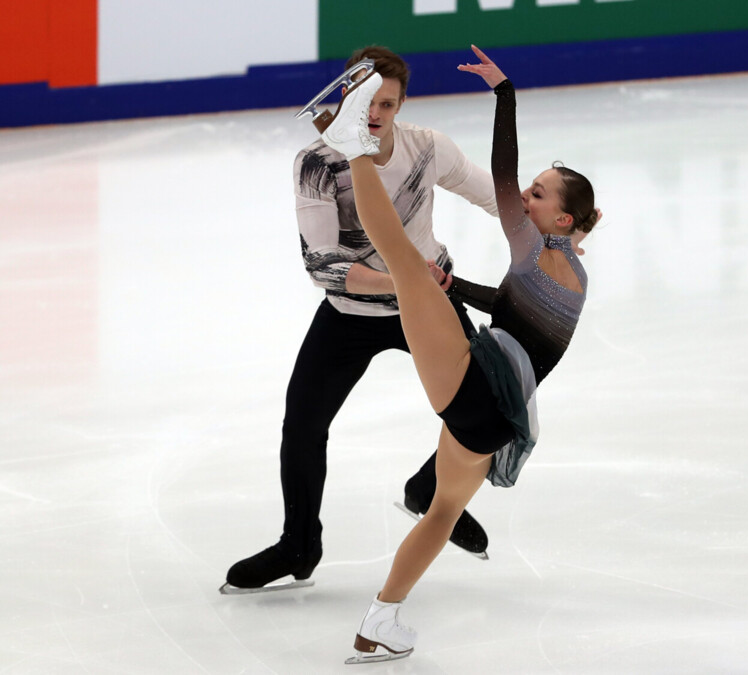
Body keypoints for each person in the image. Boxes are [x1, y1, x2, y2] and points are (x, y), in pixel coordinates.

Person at [308, 46, 600, 663]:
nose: (524, 196)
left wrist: (507, 95)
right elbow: (507, 296)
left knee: (402, 258)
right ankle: (380, 623)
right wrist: (504, 93)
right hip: (493, 415)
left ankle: (350, 140)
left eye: (539, 195)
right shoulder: (550, 258)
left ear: (563, 218)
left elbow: (499, 178)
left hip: (482, 390)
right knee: (439, 513)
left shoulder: (552, 263)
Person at [222, 46, 501, 594]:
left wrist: (552, 234)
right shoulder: (318, 162)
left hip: (427, 308)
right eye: (366, 100)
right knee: (302, 425)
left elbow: (494, 198)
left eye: (388, 104)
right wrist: (404, 279)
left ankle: (430, 490)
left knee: (490, 409)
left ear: (402, 104)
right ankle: (298, 546)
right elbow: (322, 265)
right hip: (351, 312)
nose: (375, 114)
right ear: (347, 94)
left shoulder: (426, 148)